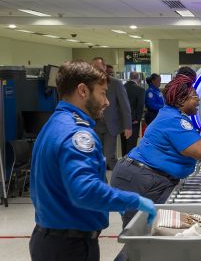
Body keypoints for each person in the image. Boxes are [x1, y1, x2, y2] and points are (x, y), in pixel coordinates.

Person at [29, 61, 156, 261]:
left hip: (49, 238)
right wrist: (133, 200)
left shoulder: (54, 124)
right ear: (83, 91)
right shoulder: (78, 134)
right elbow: (85, 191)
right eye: (103, 93)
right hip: (70, 247)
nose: (107, 102)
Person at [110, 68, 201, 228]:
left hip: (150, 176)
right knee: (139, 230)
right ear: (181, 100)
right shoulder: (173, 120)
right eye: (195, 97)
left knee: (155, 227)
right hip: (138, 179)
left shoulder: (172, 116)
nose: (199, 100)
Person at [92, 57, 132, 170]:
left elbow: (125, 106)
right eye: (94, 68)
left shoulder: (115, 83)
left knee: (110, 157)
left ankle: (120, 178)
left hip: (111, 125)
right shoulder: (89, 83)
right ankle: (100, 181)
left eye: (99, 68)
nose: (96, 71)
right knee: (96, 156)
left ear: (104, 68)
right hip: (94, 124)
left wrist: (127, 126)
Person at [121, 71, 145, 155]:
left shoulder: (122, 87)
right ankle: (130, 163)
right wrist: (137, 119)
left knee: (124, 143)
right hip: (133, 120)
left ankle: (123, 162)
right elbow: (140, 106)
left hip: (122, 120)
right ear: (138, 78)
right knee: (132, 143)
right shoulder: (140, 89)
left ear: (129, 78)